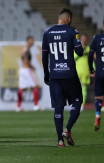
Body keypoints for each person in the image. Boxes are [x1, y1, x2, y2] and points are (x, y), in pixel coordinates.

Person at [42, 8, 84, 147]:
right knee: (77, 101)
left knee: (58, 107)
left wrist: (46, 74)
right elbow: (79, 51)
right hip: (69, 74)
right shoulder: (73, 31)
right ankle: (68, 129)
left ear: (59, 18)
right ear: (69, 19)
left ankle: (60, 140)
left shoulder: (47, 32)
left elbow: (44, 56)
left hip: (54, 75)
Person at [17, 36, 39, 111]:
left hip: (22, 69)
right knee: (35, 86)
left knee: (21, 88)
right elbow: (26, 60)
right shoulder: (26, 49)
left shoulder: (25, 49)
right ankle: (36, 106)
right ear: (27, 41)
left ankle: (18, 107)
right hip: (26, 70)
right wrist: (32, 67)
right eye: (31, 40)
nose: (33, 41)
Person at [74, 34, 89, 111]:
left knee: (83, 88)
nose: (84, 40)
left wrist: (93, 69)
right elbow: (74, 57)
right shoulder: (77, 48)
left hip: (85, 71)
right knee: (74, 88)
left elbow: (91, 60)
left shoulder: (89, 49)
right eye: (82, 39)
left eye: (85, 39)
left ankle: (82, 104)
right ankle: (75, 103)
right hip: (77, 70)